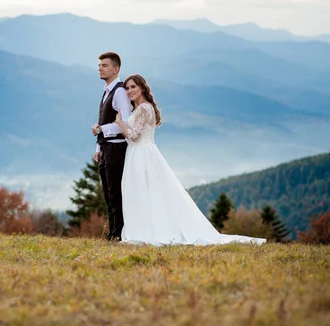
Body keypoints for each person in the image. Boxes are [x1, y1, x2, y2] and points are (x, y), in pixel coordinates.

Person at [114, 74, 266, 246]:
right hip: (137, 154)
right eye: (127, 88)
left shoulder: (143, 109)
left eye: (133, 87)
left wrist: (120, 123)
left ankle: (149, 232)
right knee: (142, 192)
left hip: (143, 155)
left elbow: (133, 136)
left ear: (142, 87)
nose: (129, 91)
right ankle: (144, 230)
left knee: (146, 192)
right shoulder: (140, 109)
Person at [91, 52, 132, 241]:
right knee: (108, 192)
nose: (100, 68)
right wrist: (99, 148)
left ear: (116, 69)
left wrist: (101, 129)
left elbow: (125, 122)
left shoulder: (120, 92)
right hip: (106, 148)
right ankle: (113, 232)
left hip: (117, 149)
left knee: (115, 191)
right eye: (100, 65)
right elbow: (104, 119)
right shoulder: (107, 90)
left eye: (105, 65)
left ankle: (119, 232)